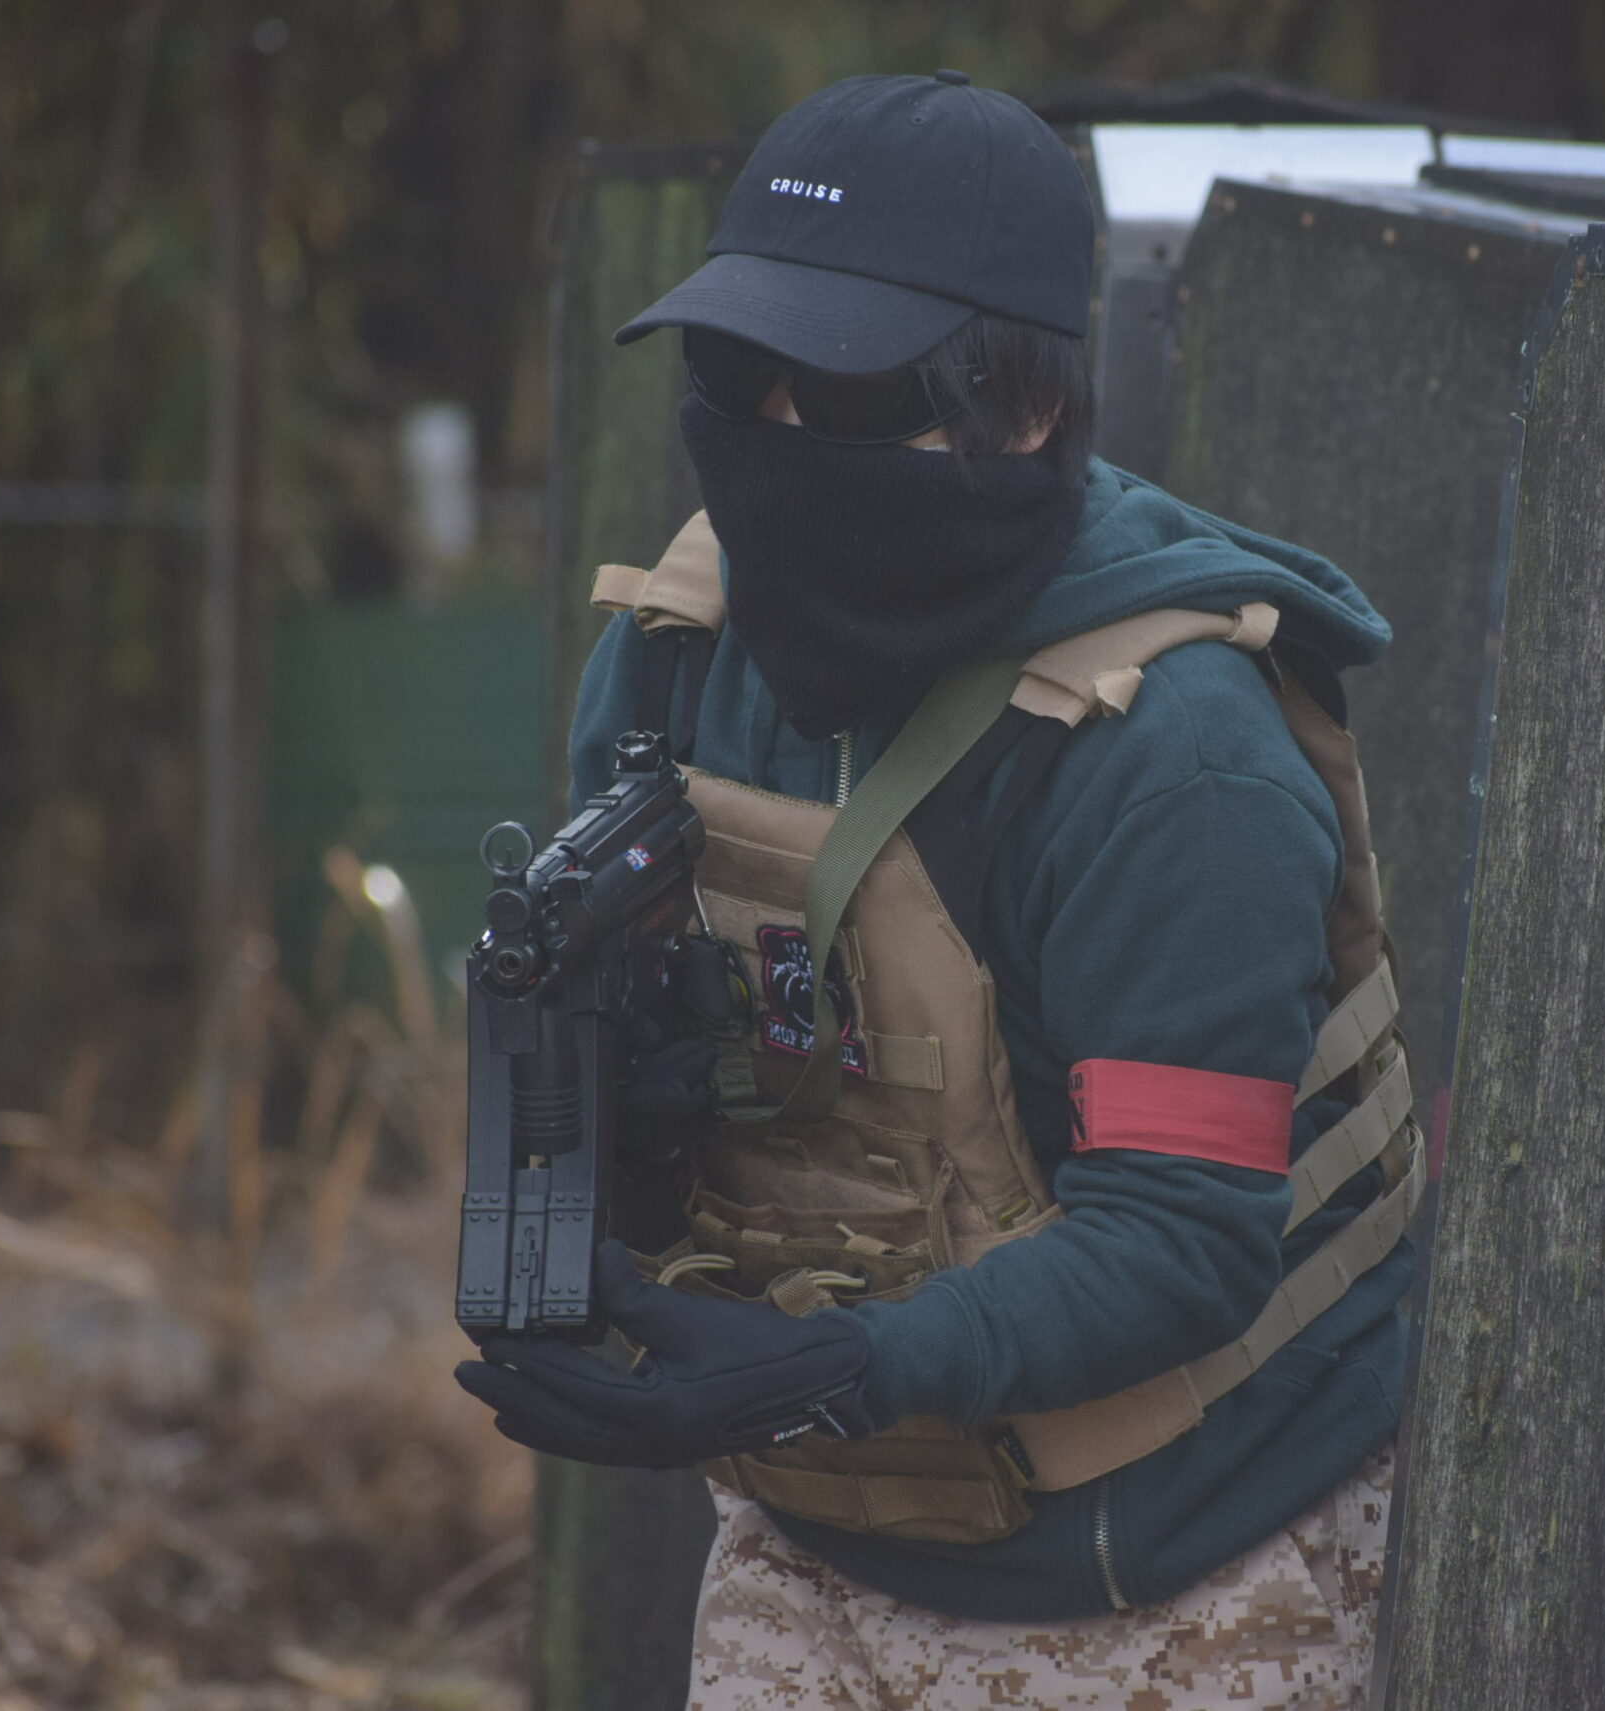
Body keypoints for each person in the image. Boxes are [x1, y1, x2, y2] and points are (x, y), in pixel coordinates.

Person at [455, 70, 1423, 1709]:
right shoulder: (675, 658)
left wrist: (836, 1366)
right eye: (734, 371)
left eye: (839, 385)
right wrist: (615, 1161)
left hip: (1179, 1572)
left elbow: (1181, 1241)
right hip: (816, 1543)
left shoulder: (1175, 756)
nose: (770, 437)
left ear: (1021, 408)